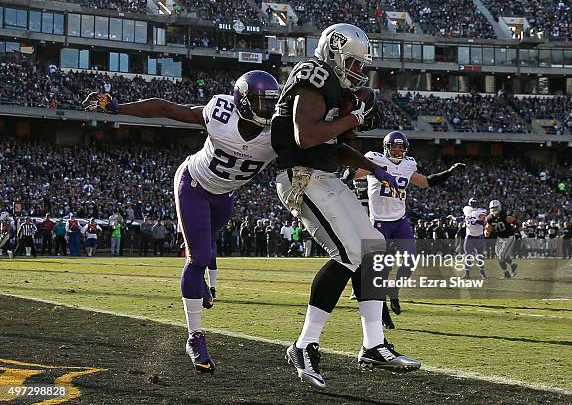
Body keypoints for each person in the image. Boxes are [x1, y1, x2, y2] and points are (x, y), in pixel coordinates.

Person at [84, 69, 280, 374]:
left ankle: (198, 274)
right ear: (242, 101)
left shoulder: (278, 132)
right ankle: (194, 337)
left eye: (272, 103)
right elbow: (167, 109)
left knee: (207, 251)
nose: (268, 110)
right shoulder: (220, 112)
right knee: (199, 256)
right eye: (261, 103)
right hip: (194, 185)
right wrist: (118, 108)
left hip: (225, 195)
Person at [272, 23, 419, 389]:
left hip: (326, 175)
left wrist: (378, 170)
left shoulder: (337, 90)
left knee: (373, 248)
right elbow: (305, 136)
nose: (357, 71)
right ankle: (304, 344)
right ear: (335, 52)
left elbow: (336, 145)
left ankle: (373, 344)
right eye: (353, 63)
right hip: (302, 175)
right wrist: (354, 117)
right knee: (350, 251)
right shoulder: (314, 75)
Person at [351, 131, 464, 328]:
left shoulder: (408, 164)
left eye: (401, 147)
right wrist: (360, 170)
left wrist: (449, 172)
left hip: (400, 220)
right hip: (379, 223)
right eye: (394, 146)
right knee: (381, 271)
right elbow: (352, 174)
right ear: (386, 147)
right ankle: (383, 313)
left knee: (410, 259)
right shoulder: (374, 159)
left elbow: (426, 182)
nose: (397, 150)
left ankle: (394, 290)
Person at [485, 200, 519, 279]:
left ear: (499, 207)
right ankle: (512, 266)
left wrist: (522, 233)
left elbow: (515, 222)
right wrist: (486, 231)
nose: (494, 210)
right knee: (501, 257)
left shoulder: (504, 214)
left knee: (501, 257)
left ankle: (507, 274)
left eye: (496, 207)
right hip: (500, 238)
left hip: (509, 237)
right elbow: (488, 227)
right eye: (492, 208)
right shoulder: (489, 218)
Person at [462, 198, 488, 279]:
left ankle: (482, 272)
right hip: (469, 236)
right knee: (468, 255)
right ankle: (467, 273)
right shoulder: (466, 209)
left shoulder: (481, 211)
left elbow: (483, 221)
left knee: (480, 256)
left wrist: (476, 221)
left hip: (479, 236)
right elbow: (464, 218)